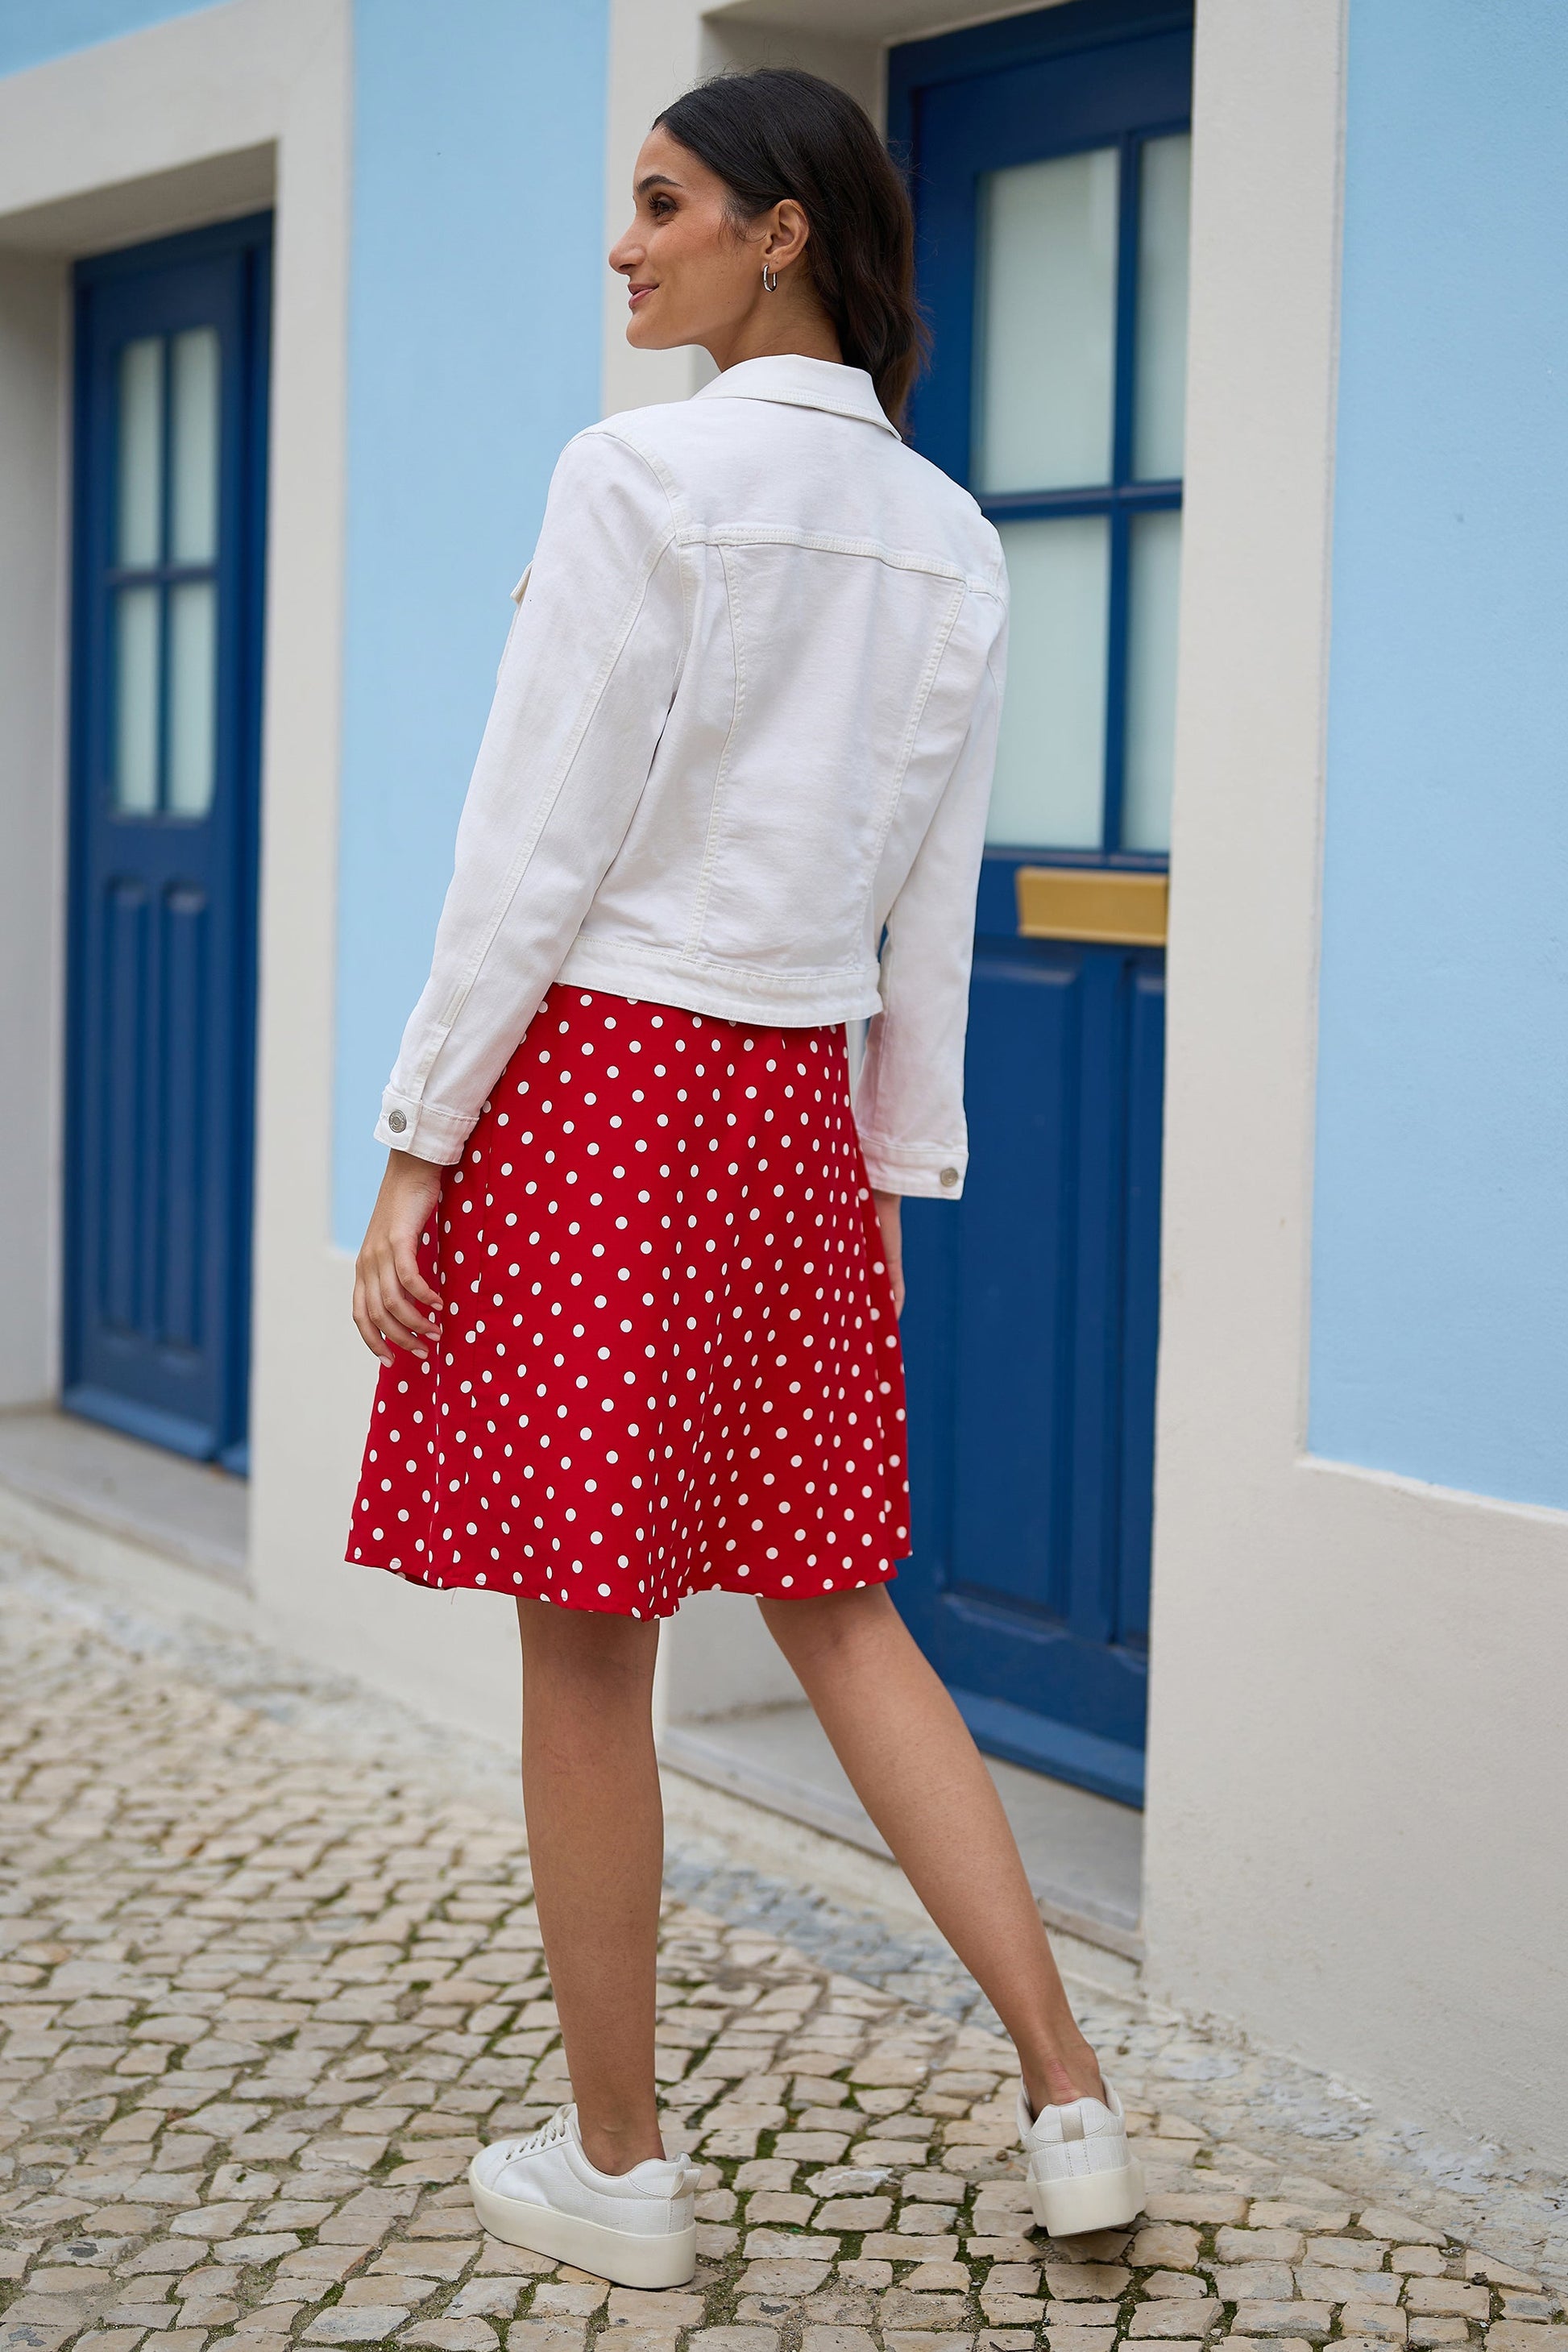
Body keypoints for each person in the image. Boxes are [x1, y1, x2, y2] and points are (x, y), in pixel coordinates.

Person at [346, 65, 1144, 2292]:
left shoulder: (635, 477)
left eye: (661, 200)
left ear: (779, 227)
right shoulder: (955, 537)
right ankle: (1068, 2094)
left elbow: (532, 848)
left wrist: (420, 1141)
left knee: (588, 1647)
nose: (625, 243)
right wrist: (889, 1178)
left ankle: (622, 2171)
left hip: (600, 1082)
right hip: (793, 1106)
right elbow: (925, 915)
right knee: (839, 1602)